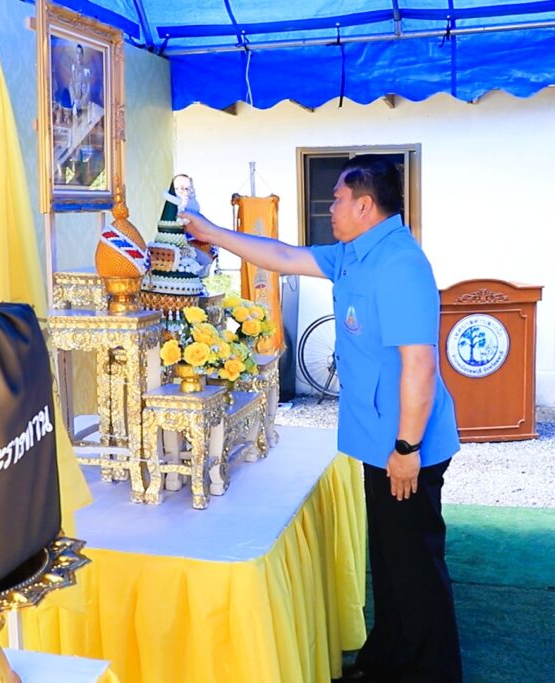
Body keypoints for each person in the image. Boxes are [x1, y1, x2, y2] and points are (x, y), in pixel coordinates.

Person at [180, 155, 462, 682]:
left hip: (406, 444)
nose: (330, 208)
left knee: (416, 569)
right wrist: (213, 233)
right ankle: (387, 661)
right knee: (391, 561)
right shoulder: (356, 253)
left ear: (365, 205)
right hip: (383, 438)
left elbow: (420, 367)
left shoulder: (399, 264)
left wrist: (406, 449)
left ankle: (428, 673)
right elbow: (283, 256)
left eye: (337, 199)